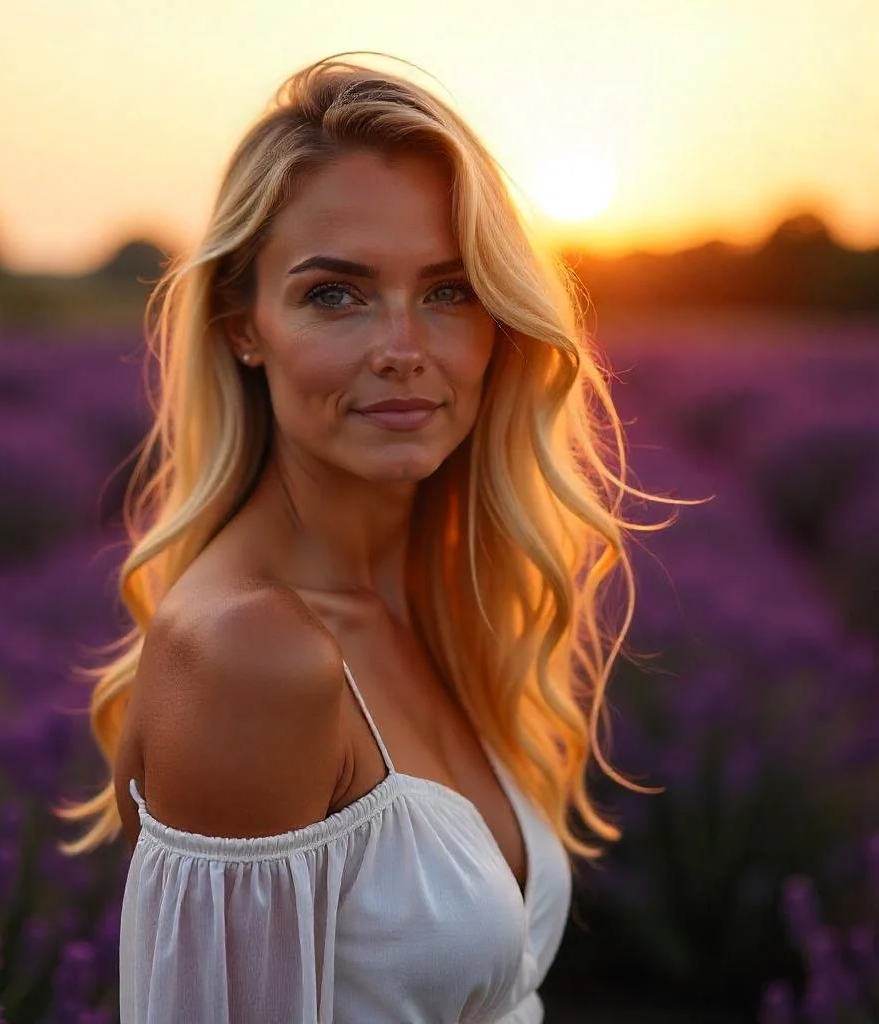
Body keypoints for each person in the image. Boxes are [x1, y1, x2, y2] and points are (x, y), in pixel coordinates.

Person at [57, 52, 679, 1023]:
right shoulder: (251, 655)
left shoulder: (431, 601)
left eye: (449, 291)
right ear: (243, 326)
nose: (404, 349)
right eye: (334, 295)